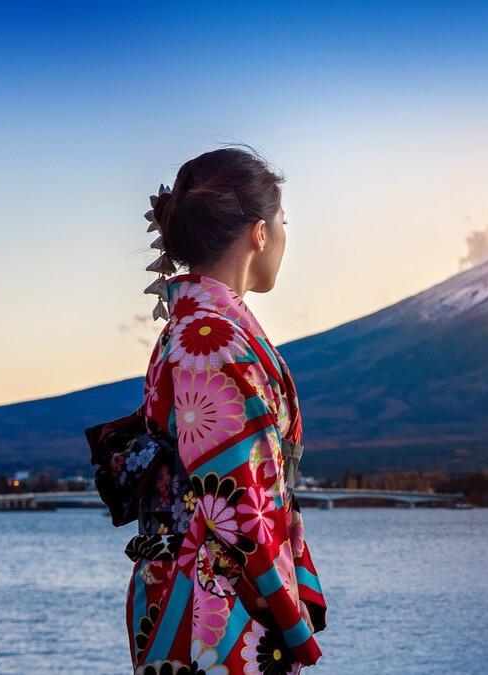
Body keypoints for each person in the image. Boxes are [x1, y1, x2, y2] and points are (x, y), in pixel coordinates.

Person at [125, 145, 326, 674]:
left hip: (199, 582)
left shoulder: (195, 331)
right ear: (259, 233)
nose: (284, 238)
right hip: (217, 599)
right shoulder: (211, 341)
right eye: (284, 223)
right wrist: (288, 613)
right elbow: (237, 497)